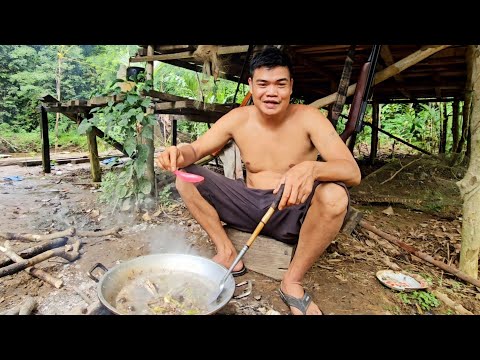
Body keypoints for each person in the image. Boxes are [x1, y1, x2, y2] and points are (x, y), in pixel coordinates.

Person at [156, 46, 361, 315]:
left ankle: (292, 281)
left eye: (280, 84)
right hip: (247, 206)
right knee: (187, 178)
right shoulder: (238, 118)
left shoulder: (310, 118)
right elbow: (195, 151)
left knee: (335, 195)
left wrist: (312, 169)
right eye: (263, 84)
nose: (271, 93)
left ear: (291, 87)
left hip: (290, 211)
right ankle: (227, 252)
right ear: (251, 85)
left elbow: (352, 172)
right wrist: (177, 153)